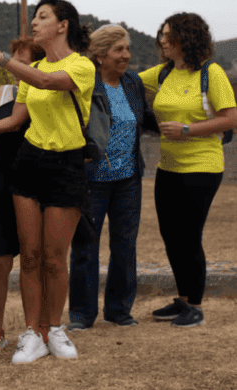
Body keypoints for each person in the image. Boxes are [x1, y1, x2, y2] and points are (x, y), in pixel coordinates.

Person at [0, 0, 95, 364]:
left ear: (62, 24)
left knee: (55, 257)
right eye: (35, 17)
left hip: (66, 166)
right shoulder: (32, 68)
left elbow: (49, 82)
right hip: (28, 163)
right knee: (32, 256)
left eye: (42, 17)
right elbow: (15, 118)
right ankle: (32, 333)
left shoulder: (81, 66)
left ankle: (54, 328)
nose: (35, 23)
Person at [139, 13, 237, 327]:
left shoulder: (212, 72)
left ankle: (195, 305)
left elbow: (230, 118)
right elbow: (128, 81)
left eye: (169, 36)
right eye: (161, 35)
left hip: (202, 167)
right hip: (168, 167)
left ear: (187, 38)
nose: (162, 41)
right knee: (170, 236)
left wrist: (187, 130)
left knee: (189, 236)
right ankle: (181, 299)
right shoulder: (163, 73)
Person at [67, 24, 159, 331]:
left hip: (128, 179)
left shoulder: (132, 82)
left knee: (125, 245)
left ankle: (119, 310)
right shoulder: (85, 81)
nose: (127, 55)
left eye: (127, 49)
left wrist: (178, 124)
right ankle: (82, 314)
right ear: (100, 54)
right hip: (92, 179)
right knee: (85, 247)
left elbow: (144, 117)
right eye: (119, 50)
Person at [0, 37, 44, 355]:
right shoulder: (2, 93)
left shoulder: (47, 91)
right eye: (11, 60)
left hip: (35, 186)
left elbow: (12, 125)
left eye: (23, 62)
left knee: (34, 260)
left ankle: (37, 328)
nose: (14, 67)